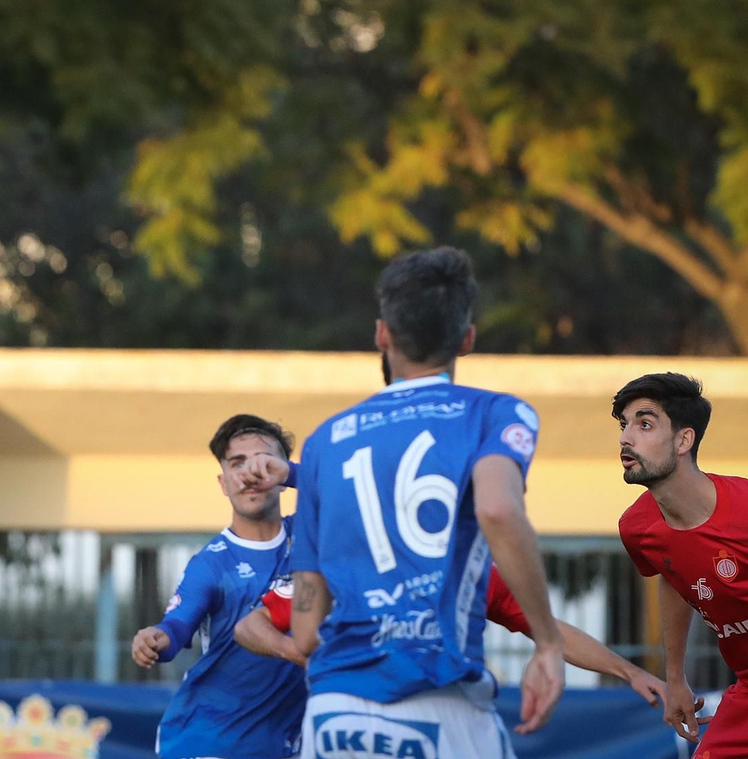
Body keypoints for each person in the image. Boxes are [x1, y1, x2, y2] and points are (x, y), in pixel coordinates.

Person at [241, 246, 564, 757]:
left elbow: (305, 632)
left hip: (333, 712)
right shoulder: (495, 413)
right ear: (467, 339)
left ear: (382, 334)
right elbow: (499, 509)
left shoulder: (325, 441)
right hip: (440, 700)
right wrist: (547, 643)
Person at [615, 372, 748, 750]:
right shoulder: (637, 528)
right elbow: (672, 574)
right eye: (624, 425)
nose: (625, 438)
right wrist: (675, 678)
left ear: (684, 440)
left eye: (644, 424)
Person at [238, 564, 671, 707]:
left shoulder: (476, 571)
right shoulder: (346, 560)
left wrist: (630, 672)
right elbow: (250, 624)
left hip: (447, 712)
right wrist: (297, 652)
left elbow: (551, 632)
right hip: (359, 718)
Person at [130, 415, 306, 759]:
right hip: (212, 741)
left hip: (286, 743)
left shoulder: (310, 536)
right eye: (237, 464)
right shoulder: (211, 564)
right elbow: (176, 628)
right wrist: (154, 639)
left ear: (283, 476)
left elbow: (355, 495)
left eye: (264, 461)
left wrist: (294, 472)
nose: (251, 473)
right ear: (223, 483)